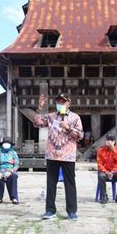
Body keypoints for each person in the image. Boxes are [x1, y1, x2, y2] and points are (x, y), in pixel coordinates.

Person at [34, 92, 83, 221]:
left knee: (70, 184)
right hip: (52, 155)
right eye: (58, 102)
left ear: (69, 103)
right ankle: (50, 210)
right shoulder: (51, 117)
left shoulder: (75, 118)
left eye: (63, 101)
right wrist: (39, 108)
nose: (60, 104)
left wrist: (68, 128)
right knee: (51, 183)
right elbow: (38, 123)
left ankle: (72, 211)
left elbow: (80, 136)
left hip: (68, 155)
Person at [97, 133, 117, 204]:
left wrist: (113, 148)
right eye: (108, 140)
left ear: (114, 141)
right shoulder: (101, 150)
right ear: (105, 141)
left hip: (115, 172)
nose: (109, 142)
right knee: (101, 176)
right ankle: (104, 196)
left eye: (111, 140)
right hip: (104, 172)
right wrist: (106, 172)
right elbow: (99, 164)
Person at [0, 137, 20, 204]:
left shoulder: (13, 153)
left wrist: (10, 171)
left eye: (8, 143)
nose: (6, 145)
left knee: (13, 177)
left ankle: (14, 198)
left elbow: (16, 164)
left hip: (10, 170)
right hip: (1, 170)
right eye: (5, 143)